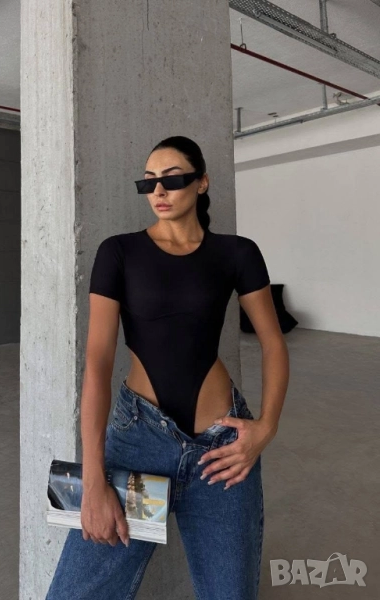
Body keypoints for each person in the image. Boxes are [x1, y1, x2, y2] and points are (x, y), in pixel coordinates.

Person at [45, 135, 289, 600]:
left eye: (172, 179)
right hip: (139, 441)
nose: (158, 190)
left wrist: (266, 427)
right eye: (149, 181)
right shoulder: (118, 252)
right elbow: (97, 362)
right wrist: (93, 478)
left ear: (202, 182)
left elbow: (274, 344)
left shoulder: (237, 253)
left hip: (221, 452)